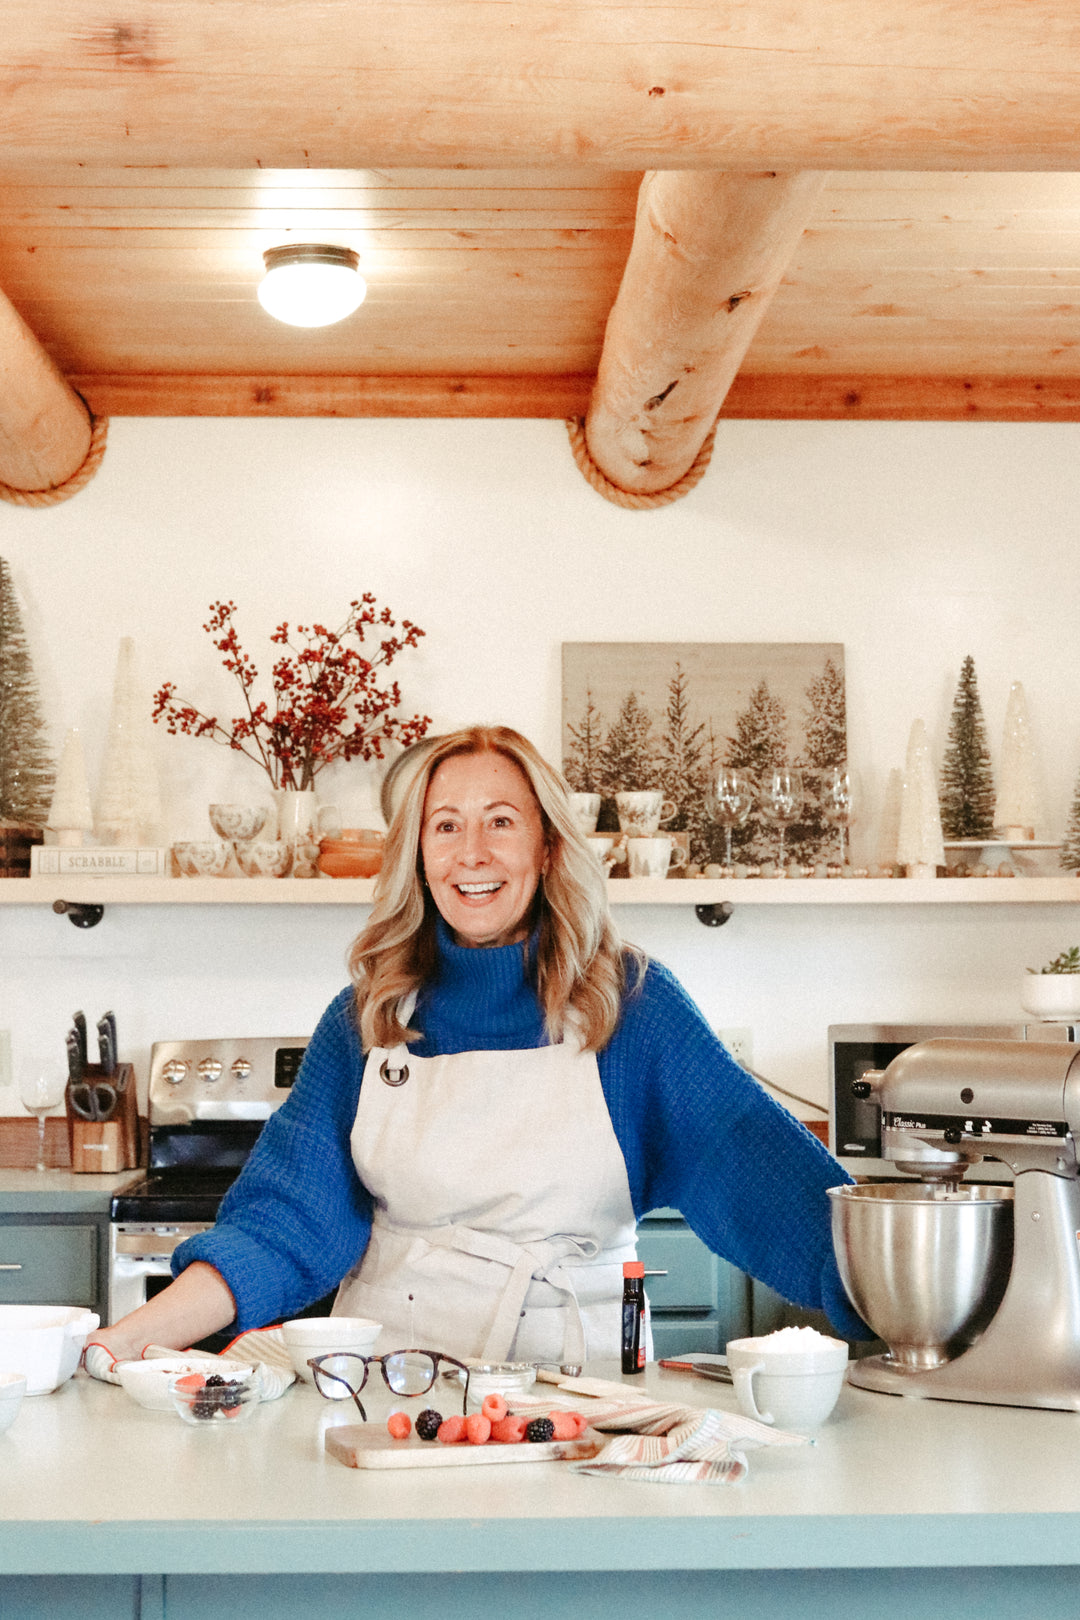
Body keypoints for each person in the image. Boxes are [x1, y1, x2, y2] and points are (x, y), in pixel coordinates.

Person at [87, 724, 864, 1373]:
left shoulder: (628, 1006)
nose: (472, 852)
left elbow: (764, 1179)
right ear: (419, 855)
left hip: (579, 1394)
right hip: (388, 1388)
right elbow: (282, 1226)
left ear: (548, 848)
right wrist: (128, 1341)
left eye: (501, 820)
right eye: (446, 825)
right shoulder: (367, 1019)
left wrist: (914, 1308)